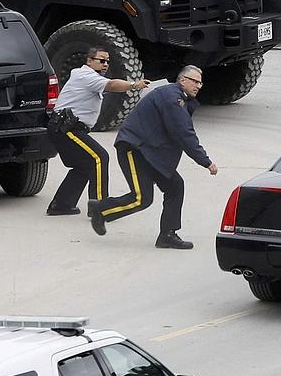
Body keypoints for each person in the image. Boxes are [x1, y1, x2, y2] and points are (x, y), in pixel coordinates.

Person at [87, 65, 217, 248]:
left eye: (200, 82)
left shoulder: (179, 98)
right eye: (195, 81)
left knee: (175, 186)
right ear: (182, 80)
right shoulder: (172, 98)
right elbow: (183, 133)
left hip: (150, 152)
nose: (199, 85)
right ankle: (100, 209)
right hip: (134, 148)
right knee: (141, 198)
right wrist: (205, 161)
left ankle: (168, 235)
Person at [46, 48, 149, 216]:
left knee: (84, 165)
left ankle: (61, 205)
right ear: (89, 61)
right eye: (101, 60)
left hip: (68, 128)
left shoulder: (88, 77)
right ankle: (100, 207)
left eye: (107, 61)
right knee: (100, 157)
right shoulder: (85, 75)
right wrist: (134, 85)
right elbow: (111, 85)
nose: (105, 64)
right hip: (66, 127)